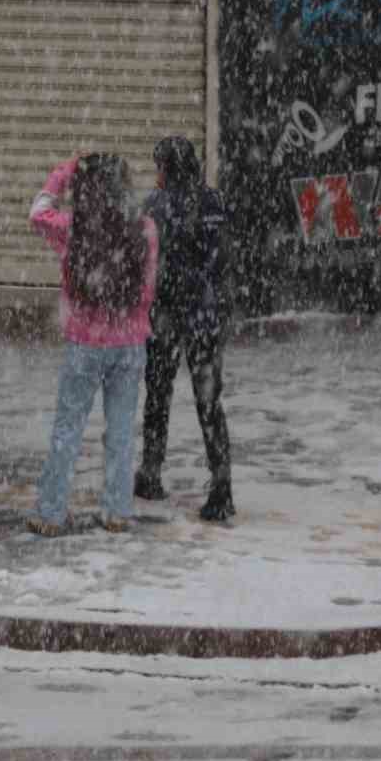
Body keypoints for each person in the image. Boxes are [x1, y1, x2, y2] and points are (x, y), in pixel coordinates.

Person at [27, 152, 158, 537]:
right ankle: (117, 511)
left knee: (68, 428)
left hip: (84, 343)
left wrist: (62, 172)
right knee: (120, 430)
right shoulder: (145, 228)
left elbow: (37, 213)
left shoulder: (72, 227)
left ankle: (51, 512)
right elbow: (148, 288)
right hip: (131, 342)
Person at [135, 136, 236, 522]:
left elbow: (145, 262)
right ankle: (222, 488)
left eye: (158, 165)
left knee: (158, 395)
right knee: (209, 402)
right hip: (207, 316)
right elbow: (226, 258)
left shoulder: (154, 206)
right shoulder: (215, 201)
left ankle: (150, 473)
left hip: (166, 316)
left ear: (166, 167)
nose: (156, 173)